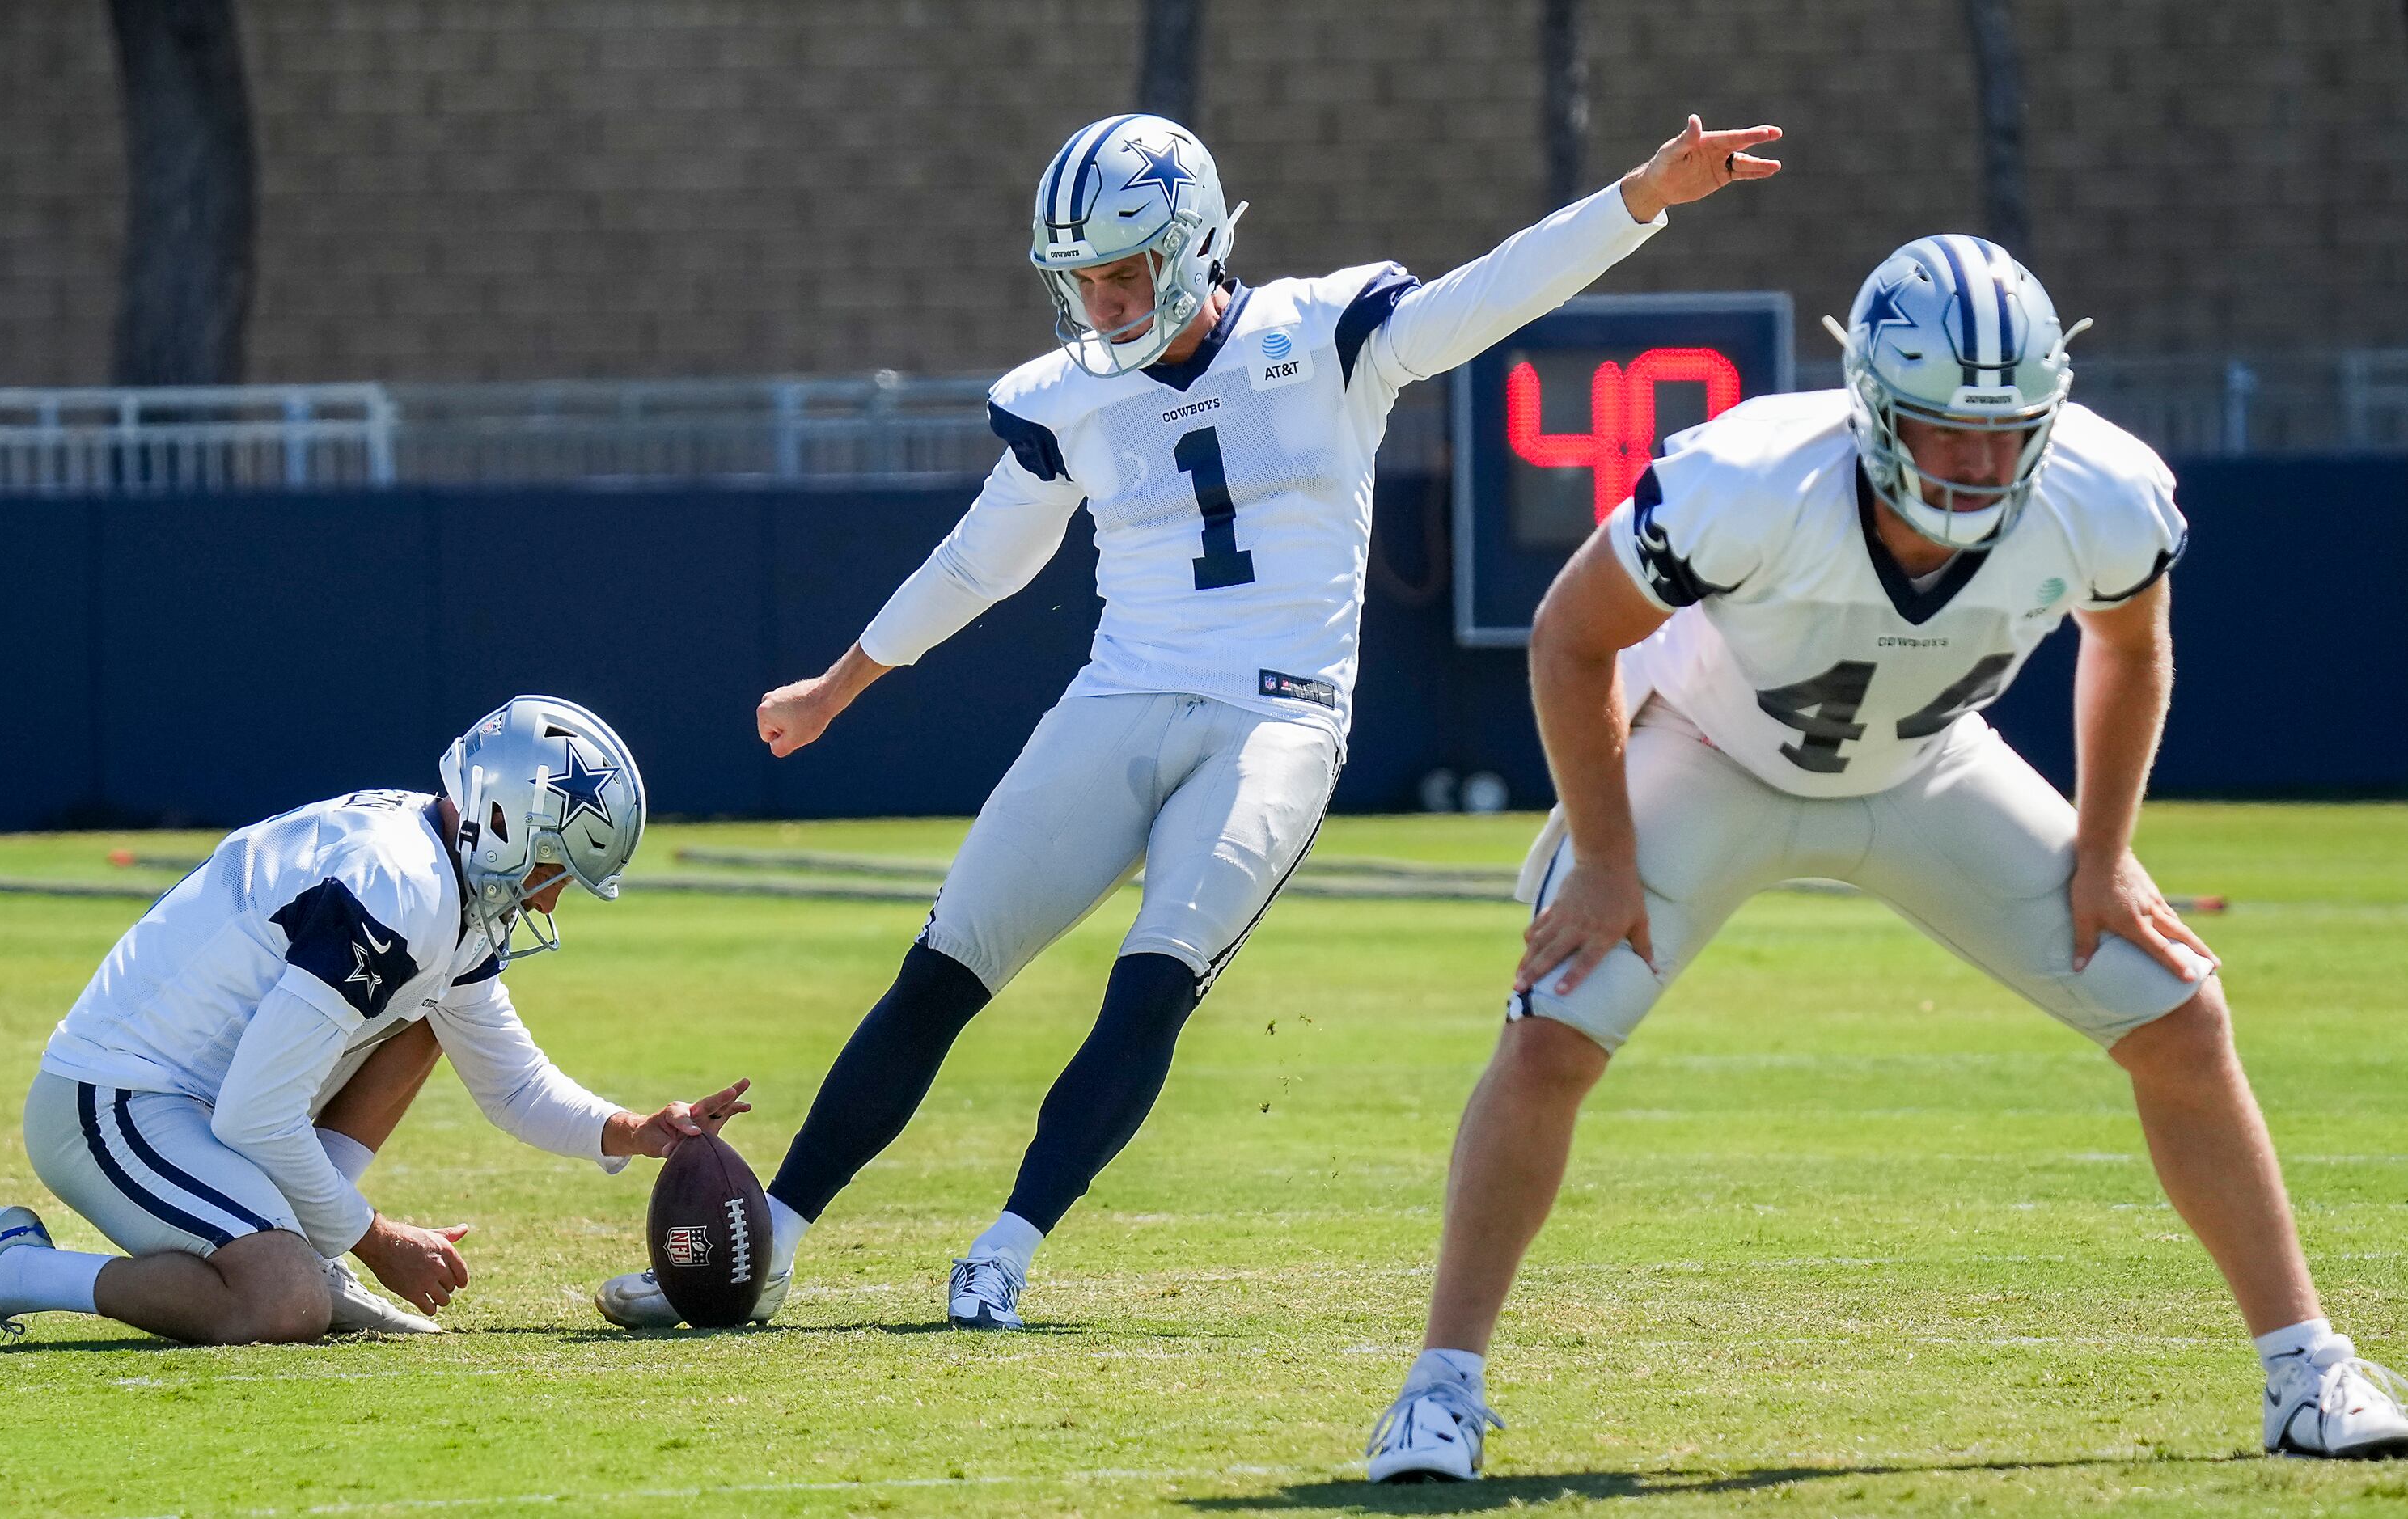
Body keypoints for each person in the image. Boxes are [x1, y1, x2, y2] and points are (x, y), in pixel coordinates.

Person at [596, 112, 1782, 1333]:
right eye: (1083, 281)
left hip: (1276, 715)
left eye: (1124, 273)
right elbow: (977, 563)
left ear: (1197, 243)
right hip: (1120, 696)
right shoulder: (1069, 399)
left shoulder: (1327, 332)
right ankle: (772, 1243)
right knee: (941, 972)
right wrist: (838, 684)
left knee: (1149, 981)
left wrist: (1639, 197)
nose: (1104, 304)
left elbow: (1493, 294)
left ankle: (1007, 1244)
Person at [1363, 237, 2408, 1479]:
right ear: (1870, 406)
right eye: (1943, 429)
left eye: (2007, 431)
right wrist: (1603, 855)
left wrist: (2106, 853)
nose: (1976, 462)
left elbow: (2129, 649)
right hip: (1709, 750)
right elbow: (1567, 638)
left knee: (2179, 1011)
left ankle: (2306, 1368)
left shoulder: (2104, 489)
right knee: (1552, 1029)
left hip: (1925, 768)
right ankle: (1437, 1392)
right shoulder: (1749, 475)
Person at [0, 696, 750, 1348]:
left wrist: (637, 1131)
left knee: (428, 1019)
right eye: (558, 865)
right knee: (279, 1303)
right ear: (501, 819)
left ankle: (304, 1245)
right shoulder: (398, 883)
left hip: (211, 1103)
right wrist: (373, 1238)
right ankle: (8, 1272)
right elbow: (257, 1112)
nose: (556, 894)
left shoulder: (447, 878)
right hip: (114, 1097)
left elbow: (508, 1078)